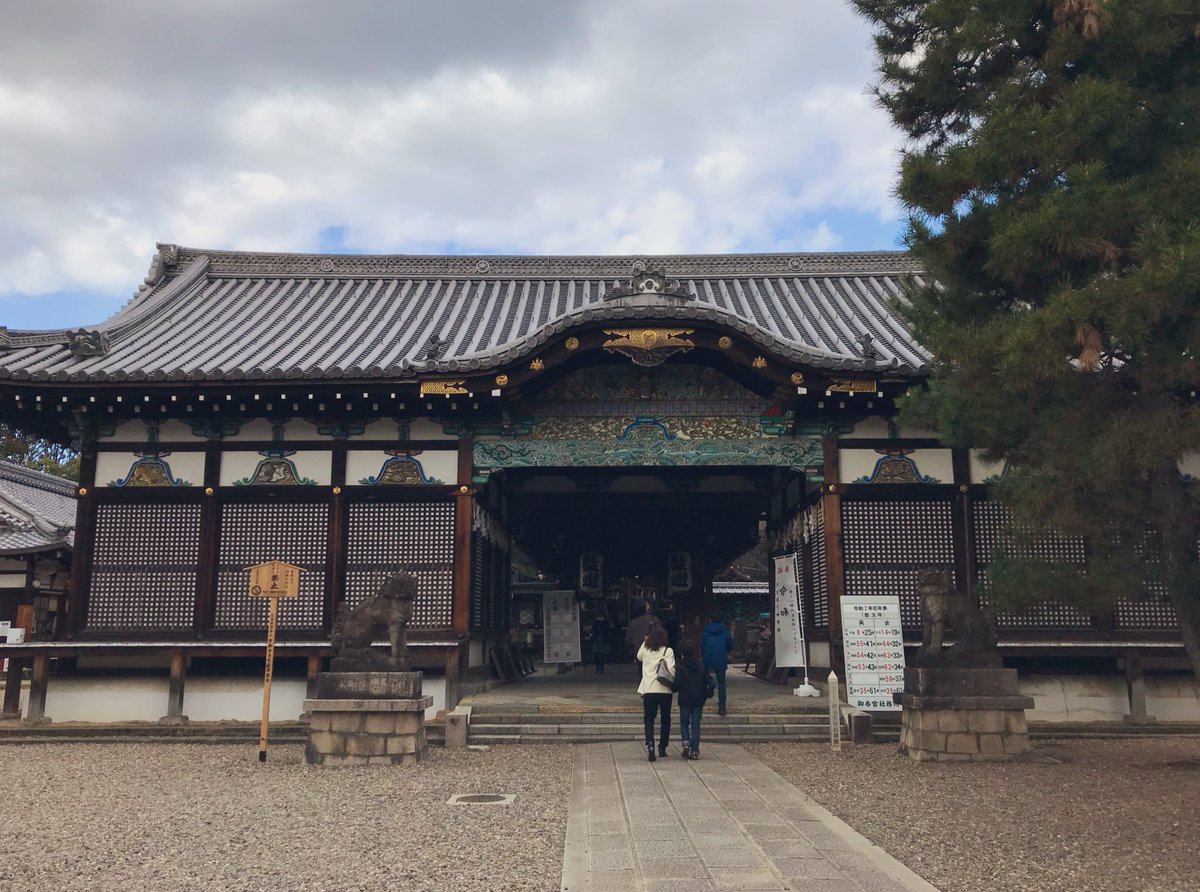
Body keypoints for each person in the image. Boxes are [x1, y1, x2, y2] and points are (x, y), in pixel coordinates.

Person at [636, 626, 675, 762]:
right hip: (664, 690)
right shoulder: (668, 651)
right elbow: (671, 671)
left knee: (649, 719)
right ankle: (663, 747)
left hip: (649, 690)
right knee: (665, 719)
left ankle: (650, 744)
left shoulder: (646, 650)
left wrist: (644, 641)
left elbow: (638, 656)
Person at [672, 643, 714, 759]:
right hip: (698, 699)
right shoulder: (701, 666)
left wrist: (673, 687)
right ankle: (694, 750)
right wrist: (708, 694)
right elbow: (711, 682)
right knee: (696, 725)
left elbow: (678, 683)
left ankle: (686, 742)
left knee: (684, 722)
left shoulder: (681, 667)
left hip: (685, 699)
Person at [701, 614, 733, 716]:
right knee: (721, 683)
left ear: (710, 620)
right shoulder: (725, 632)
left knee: (703, 678)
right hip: (720, 658)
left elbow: (702, 644)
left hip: (707, 657)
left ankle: (708, 688)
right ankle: (722, 706)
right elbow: (730, 645)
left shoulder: (706, 631)